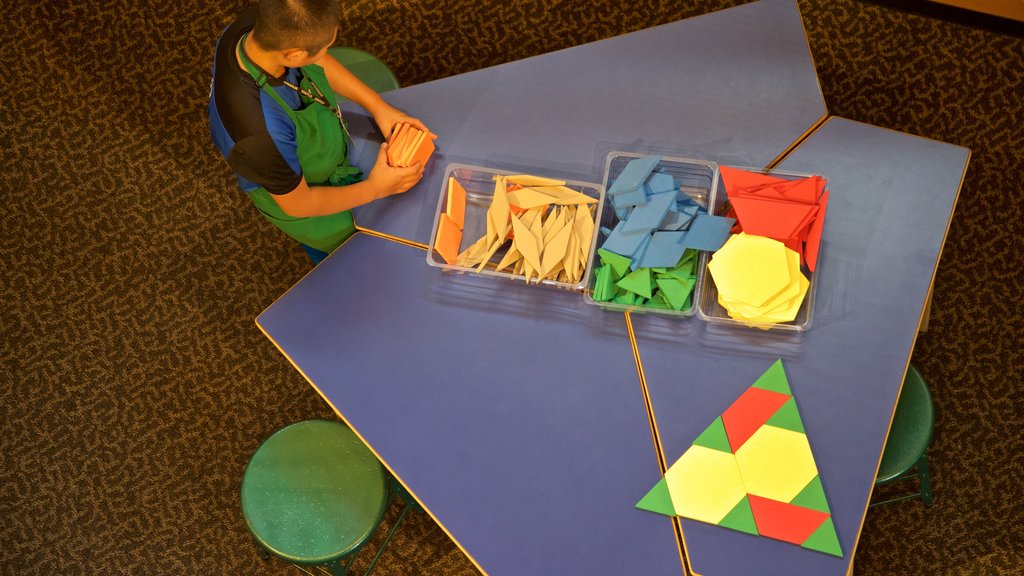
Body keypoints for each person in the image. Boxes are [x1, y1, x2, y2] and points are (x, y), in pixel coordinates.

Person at [208, 0, 434, 260]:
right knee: (355, 254)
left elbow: (318, 62)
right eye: (325, 47)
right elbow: (299, 204)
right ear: (293, 55)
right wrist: (375, 188)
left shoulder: (260, 25)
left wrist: (378, 106)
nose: (327, 51)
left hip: (306, 159)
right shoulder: (260, 137)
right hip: (302, 198)